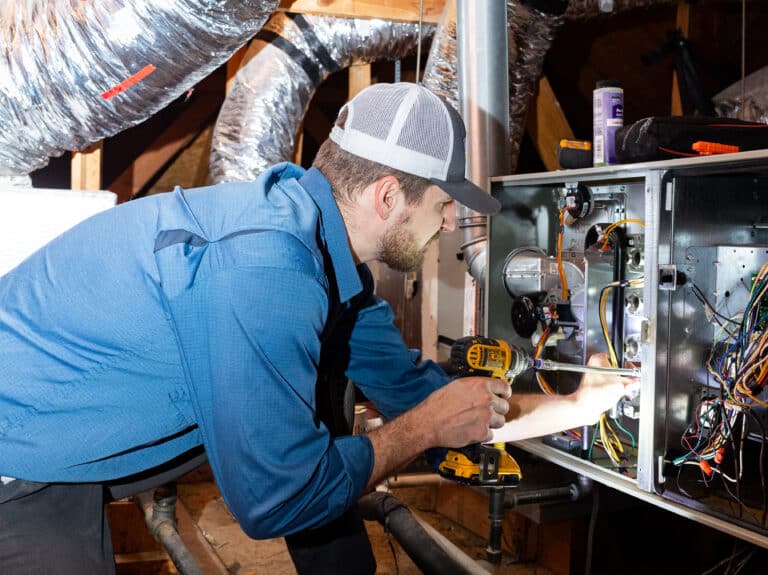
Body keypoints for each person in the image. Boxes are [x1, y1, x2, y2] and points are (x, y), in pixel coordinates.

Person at [0, 82, 631, 574]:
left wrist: (580, 404)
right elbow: (277, 499)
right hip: (17, 457)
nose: (445, 227)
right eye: (441, 207)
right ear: (388, 198)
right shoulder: (269, 267)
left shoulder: (328, 265)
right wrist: (426, 428)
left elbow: (419, 395)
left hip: (60, 438)